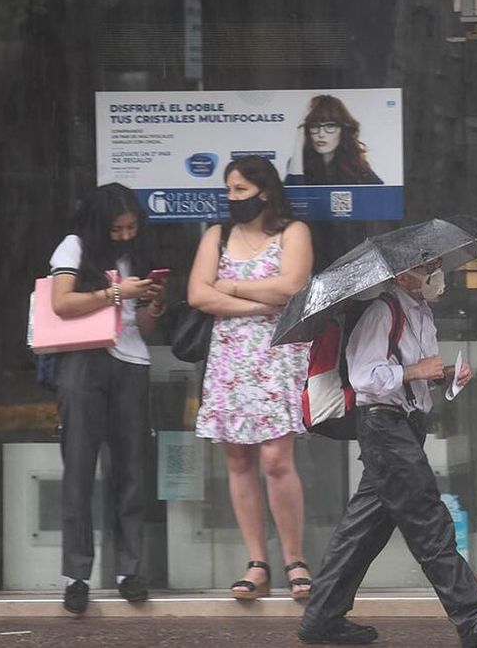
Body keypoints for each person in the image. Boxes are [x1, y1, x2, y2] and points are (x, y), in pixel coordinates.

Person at [298, 260, 477, 647]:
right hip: (383, 428)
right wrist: (416, 372)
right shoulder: (382, 311)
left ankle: (321, 618)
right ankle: (472, 617)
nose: (437, 274)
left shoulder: (420, 314)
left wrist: (445, 375)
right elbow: (365, 378)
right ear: (403, 276)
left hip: (403, 427)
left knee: (363, 530)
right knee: (428, 521)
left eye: (437, 266)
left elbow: (413, 377)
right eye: (428, 268)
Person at [188, 155, 315, 600]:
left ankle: (295, 559)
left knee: (276, 460)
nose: (231, 198)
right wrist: (260, 304)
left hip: (277, 358)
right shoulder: (216, 235)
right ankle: (257, 562)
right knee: (238, 461)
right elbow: (198, 294)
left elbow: (292, 287)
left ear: (265, 191)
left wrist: (232, 287)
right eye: (228, 190)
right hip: (230, 359)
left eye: (239, 190)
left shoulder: (293, 232)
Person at [49, 182, 165, 614]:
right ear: (100, 224)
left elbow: (146, 328)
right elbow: (62, 303)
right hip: (83, 360)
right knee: (79, 468)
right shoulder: (74, 247)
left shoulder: (140, 253)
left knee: (131, 467)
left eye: (131, 227)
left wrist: (153, 303)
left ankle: (129, 570)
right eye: (117, 229)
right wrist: (118, 293)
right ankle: (76, 575)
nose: (125, 236)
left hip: (131, 359)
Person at [285, 94, 383, 186]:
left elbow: (381, 197)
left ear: (343, 130)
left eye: (330, 126)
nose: (321, 134)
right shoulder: (298, 163)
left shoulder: (357, 166)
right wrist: (298, 140)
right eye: (314, 126)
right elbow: (294, 199)